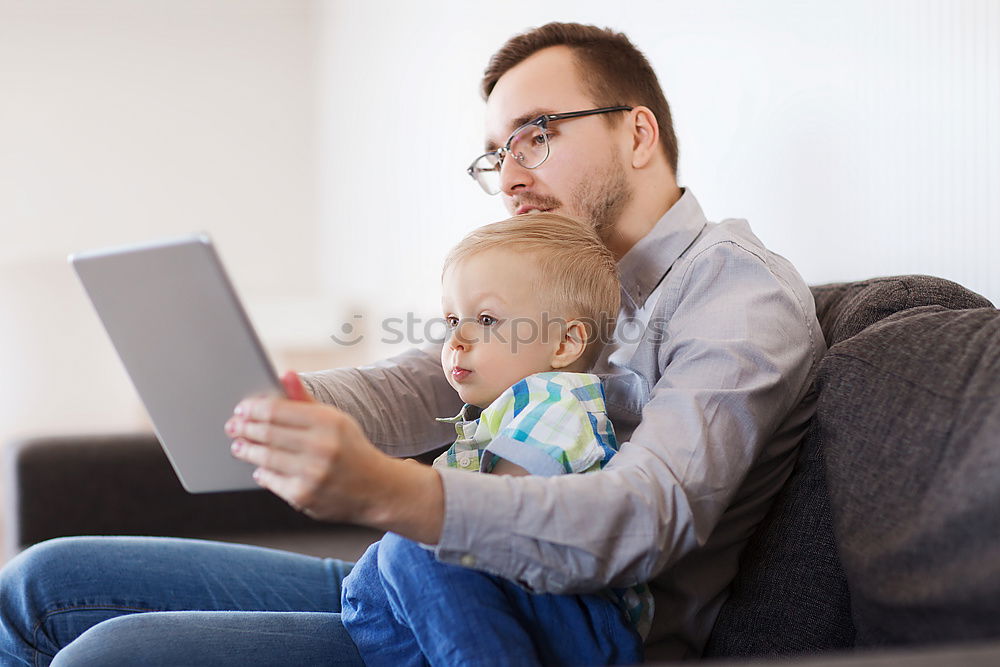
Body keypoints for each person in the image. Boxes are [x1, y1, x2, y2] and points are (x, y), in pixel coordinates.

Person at [0, 22, 824, 666]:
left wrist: (395, 495)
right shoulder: (564, 273)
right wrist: (273, 401)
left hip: (541, 629)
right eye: (497, 152)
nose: (510, 176)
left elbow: (650, 512)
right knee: (40, 581)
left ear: (638, 134)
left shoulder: (736, 293)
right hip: (444, 578)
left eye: (536, 134)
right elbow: (423, 381)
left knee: (109, 653)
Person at [340, 212, 648, 666]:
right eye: (451, 319)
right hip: (522, 606)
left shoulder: (558, 400)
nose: (456, 340)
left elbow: (498, 513)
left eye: (485, 319)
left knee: (411, 545)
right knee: (379, 568)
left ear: (565, 344)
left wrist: (402, 487)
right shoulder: (502, 411)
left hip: (580, 623)